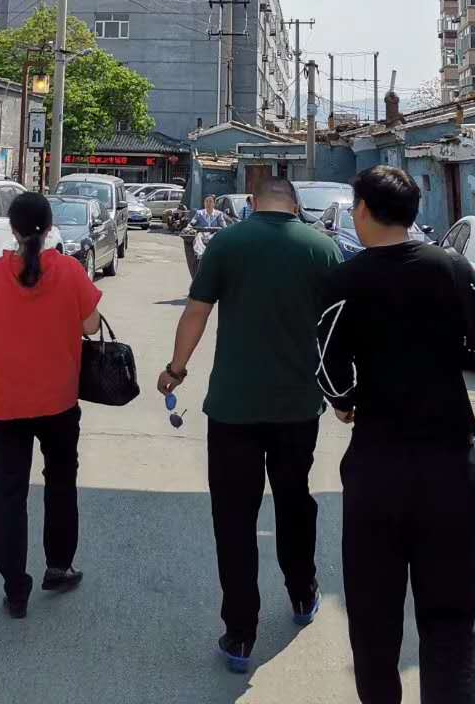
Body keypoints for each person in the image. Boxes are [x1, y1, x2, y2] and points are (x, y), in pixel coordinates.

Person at [316, 166, 475, 704]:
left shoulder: (345, 280)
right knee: (451, 616)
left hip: (377, 466)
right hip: (448, 465)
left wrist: (346, 402)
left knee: (373, 615)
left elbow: (327, 367)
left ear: (362, 210)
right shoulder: (453, 268)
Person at [158, 175, 342, 673]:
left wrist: (176, 369)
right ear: (295, 205)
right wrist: (342, 395)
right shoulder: (322, 249)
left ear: (254, 203)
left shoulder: (227, 242)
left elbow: (196, 312)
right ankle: (303, 592)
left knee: (234, 517)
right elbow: (338, 329)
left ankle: (240, 634)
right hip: (297, 407)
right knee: (294, 501)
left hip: (233, 407)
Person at [0, 192, 102, 618]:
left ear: (13, 228)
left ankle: (15, 588)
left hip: (6, 403)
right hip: (59, 400)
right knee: (60, 483)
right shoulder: (69, 270)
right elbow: (91, 325)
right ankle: (58, 566)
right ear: (50, 227)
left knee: (8, 495)